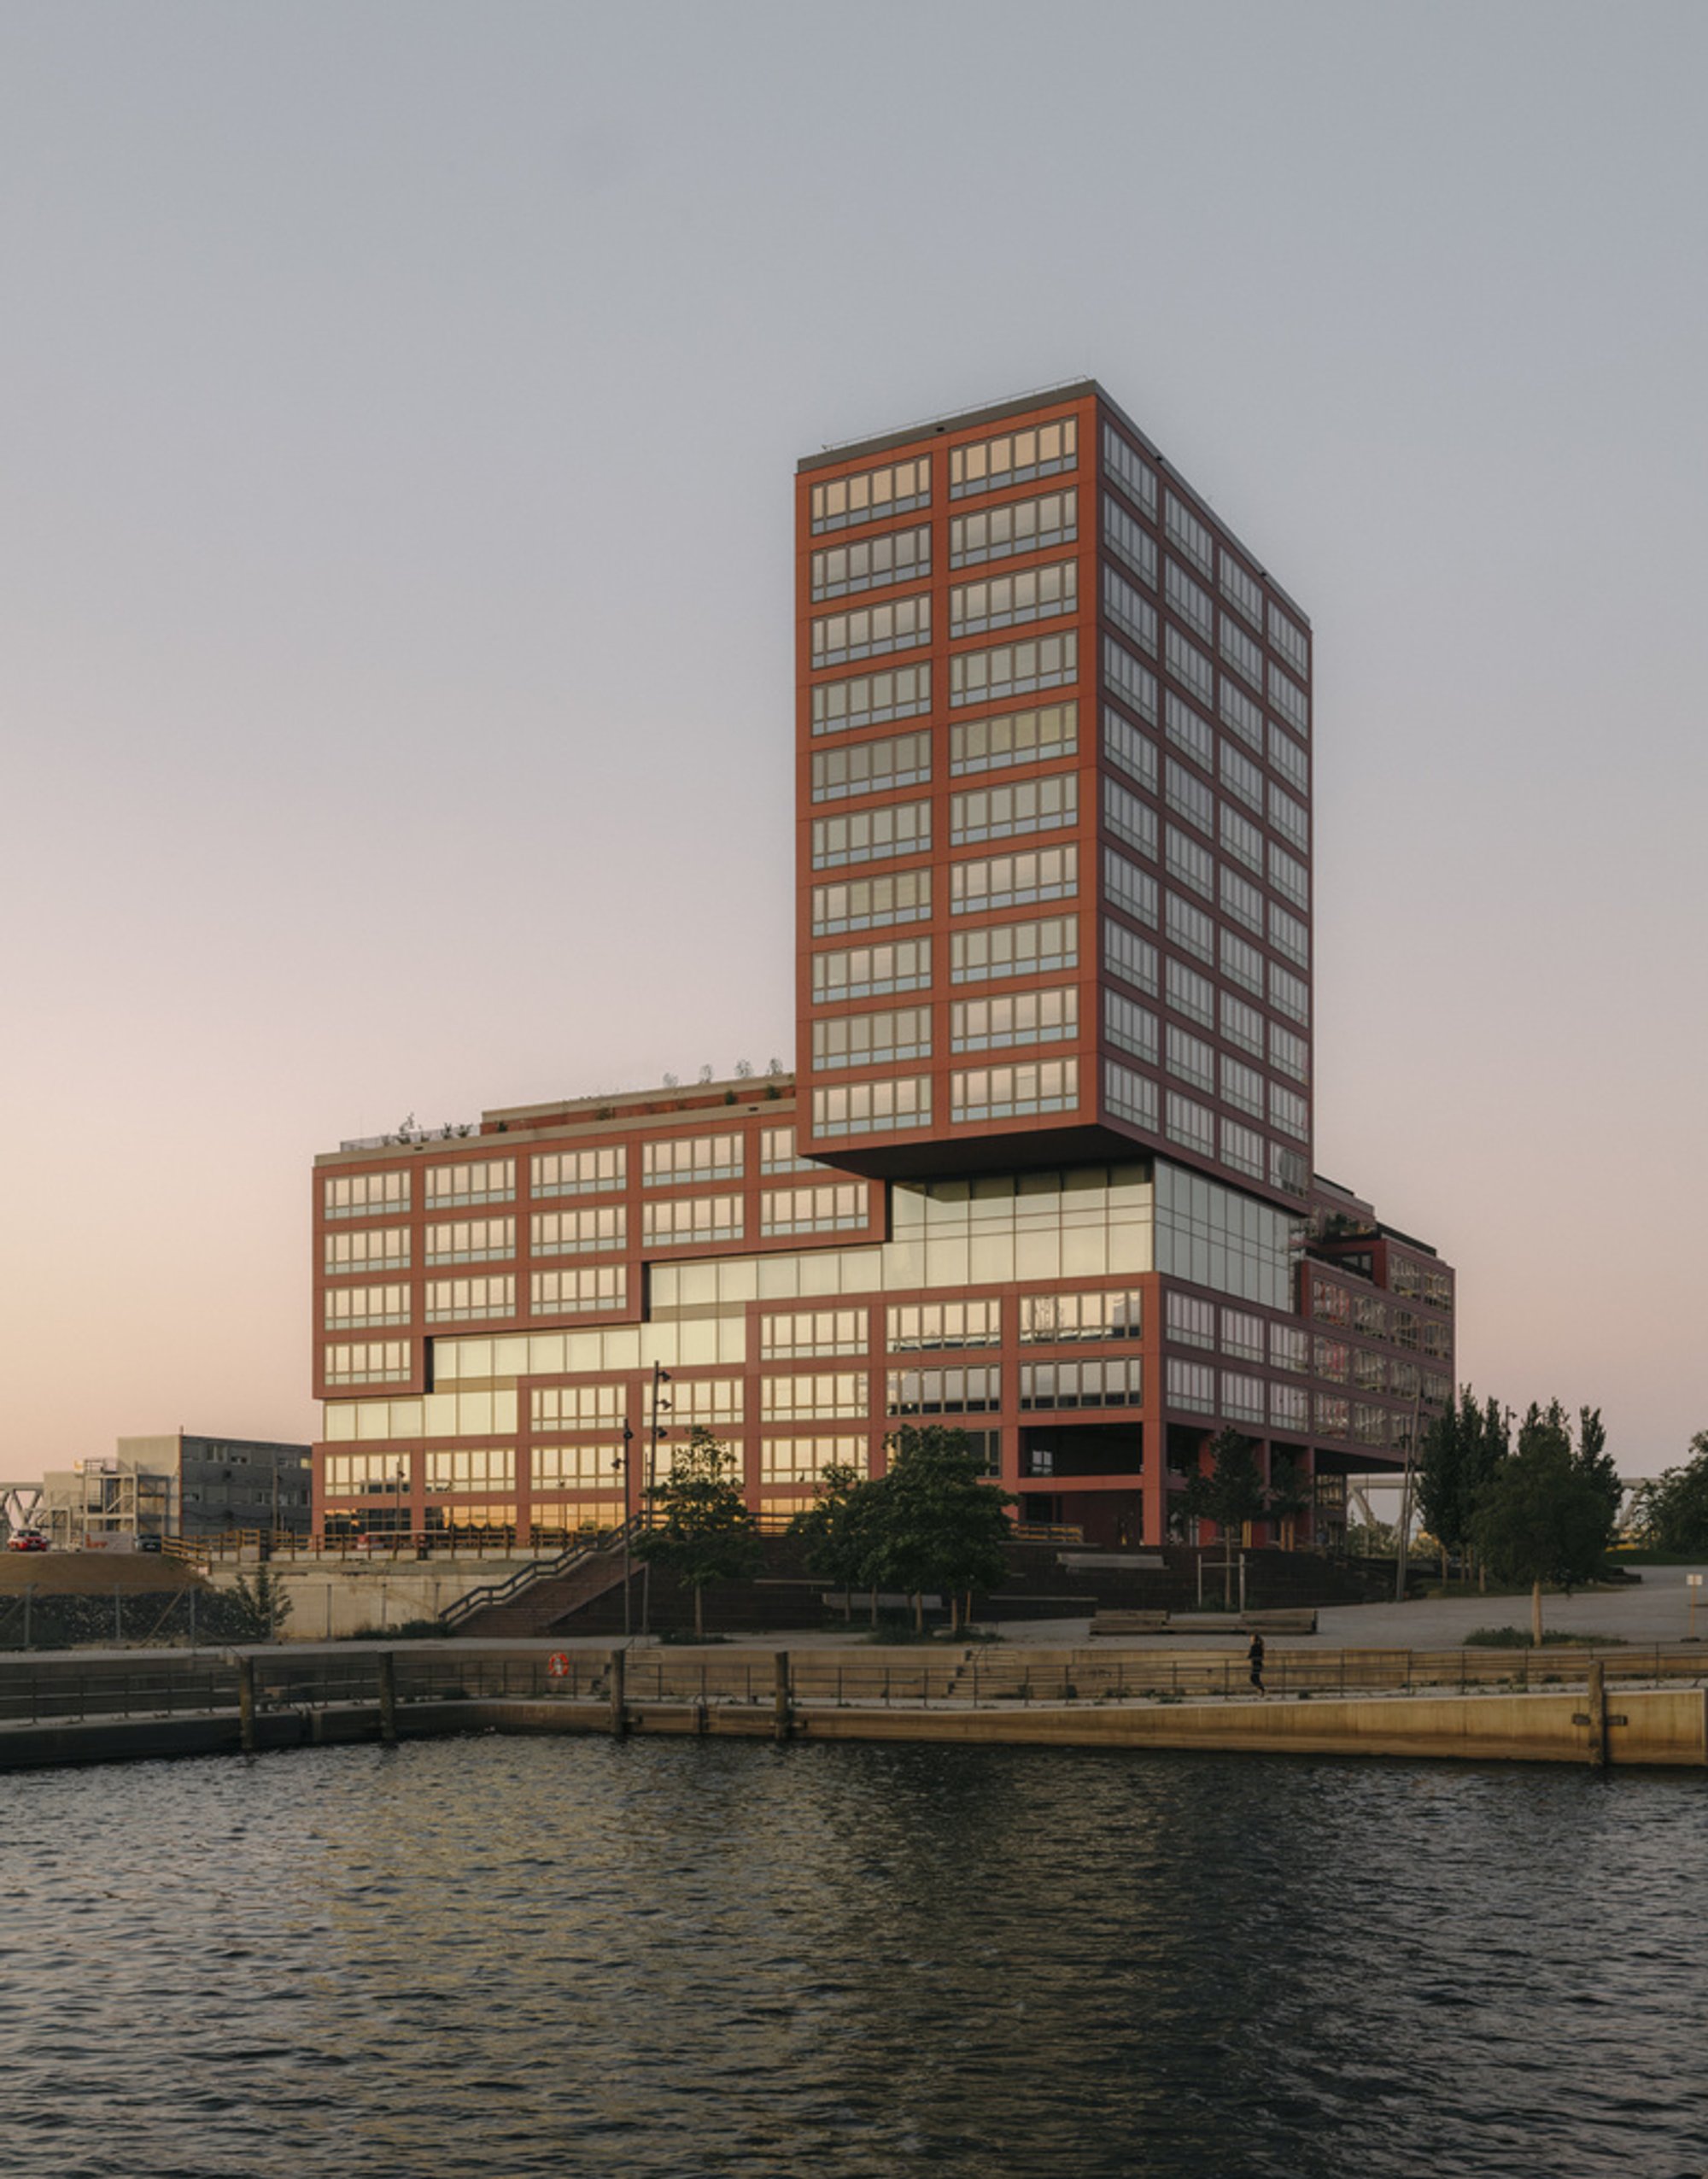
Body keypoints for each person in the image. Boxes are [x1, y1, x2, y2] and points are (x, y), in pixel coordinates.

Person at [1247, 1631, 1266, 1695]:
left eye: (1251, 1638)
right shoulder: (1260, 1646)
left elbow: (1250, 1655)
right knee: (1256, 1678)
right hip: (1259, 1664)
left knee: (1253, 1678)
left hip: (1256, 1664)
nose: (1250, 1639)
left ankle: (1262, 1689)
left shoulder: (1254, 1646)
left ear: (1254, 1639)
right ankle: (1261, 1690)